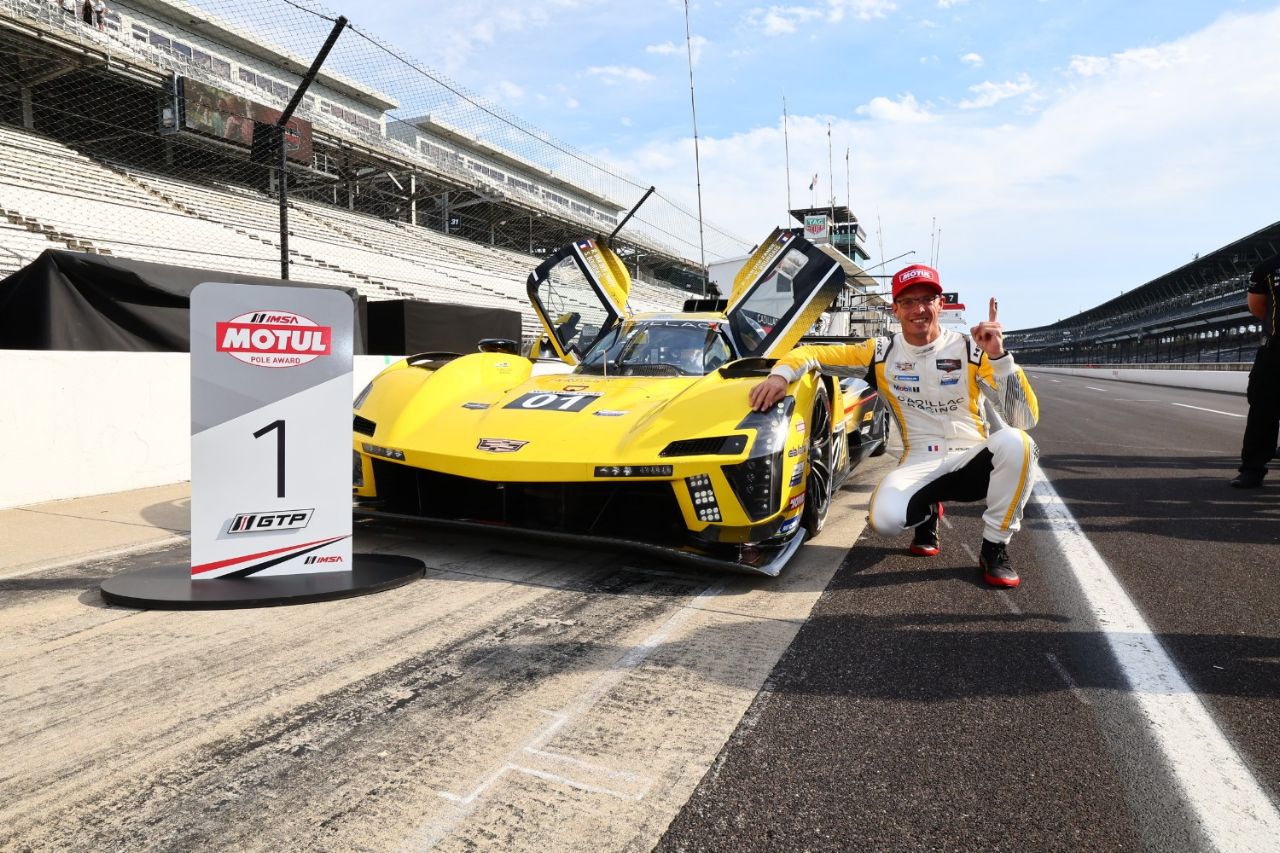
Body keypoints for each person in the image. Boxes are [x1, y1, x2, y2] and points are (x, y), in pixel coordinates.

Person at [748, 263, 1040, 588]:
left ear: (940, 304)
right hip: (919, 461)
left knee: (1019, 443)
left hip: (971, 460)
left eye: (927, 299)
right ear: (896, 309)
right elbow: (811, 353)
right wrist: (779, 375)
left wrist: (999, 357)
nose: (919, 309)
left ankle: (994, 546)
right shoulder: (879, 353)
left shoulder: (975, 350)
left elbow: (1023, 418)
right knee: (883, 521)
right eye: (909, 301)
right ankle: (927, 514)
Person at [1231, 252, 1279, 488]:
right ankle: (1253, 468)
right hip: (1275, 350)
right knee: (1262, 409)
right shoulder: (1269, 267)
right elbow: (1257, 307)